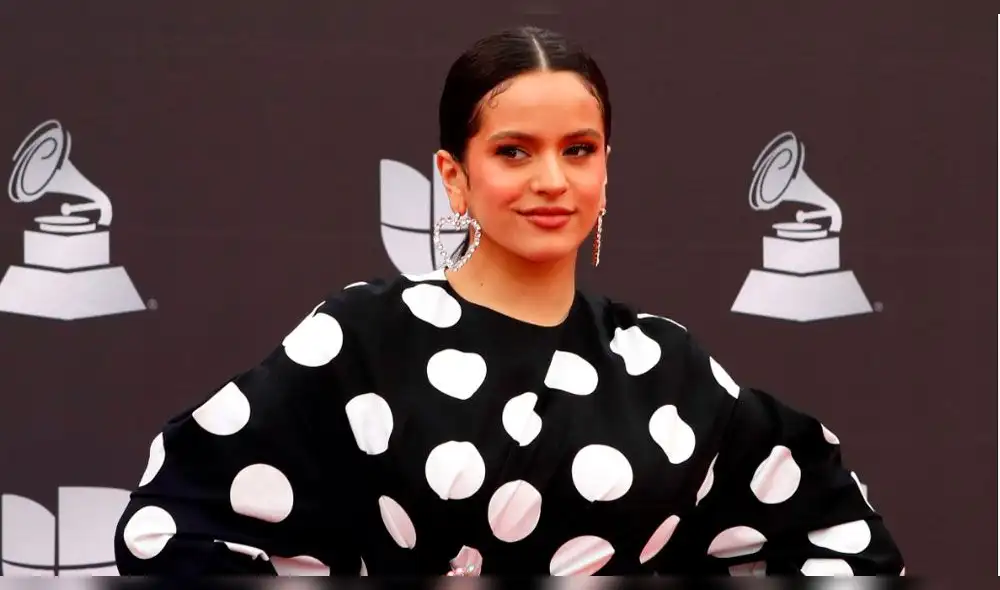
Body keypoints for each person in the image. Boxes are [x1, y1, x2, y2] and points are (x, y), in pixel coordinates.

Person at [113, 25, 904, 577]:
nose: (552, 181)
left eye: (579, 151)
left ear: (606, 170)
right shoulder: (365, 339)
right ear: (453, 176)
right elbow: (170, 529)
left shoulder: (665, 367)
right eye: (513, 151)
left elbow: (839, 537)